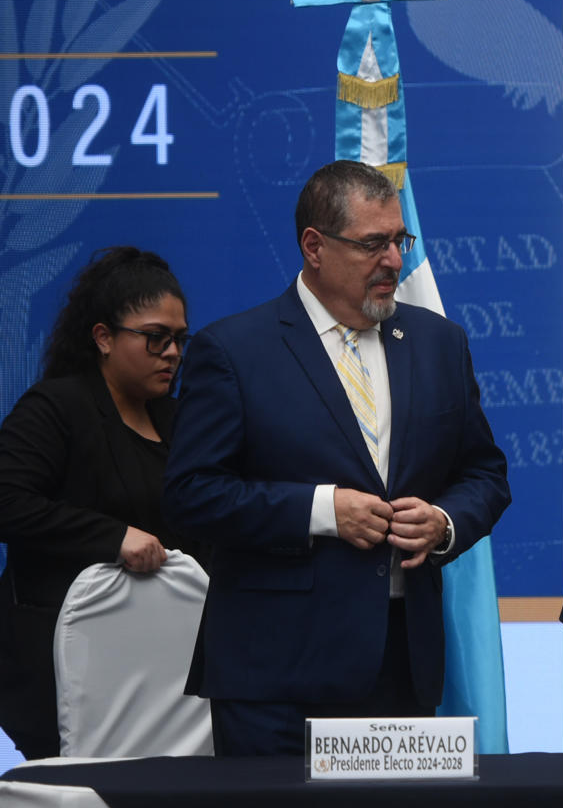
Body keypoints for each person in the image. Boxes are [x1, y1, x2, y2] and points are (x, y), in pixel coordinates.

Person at [164, 161, 510, 755]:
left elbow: (484, 473)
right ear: (314, 247)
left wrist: (445, 523)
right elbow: (192, 494)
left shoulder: (438, 343)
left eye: (399, 242)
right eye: (372, 244)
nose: (394, 262)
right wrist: (322, 511)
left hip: (405, 665)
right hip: (277, 679)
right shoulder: (234, 351)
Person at [0, 248, 193, 759]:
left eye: (179, 339)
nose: (171, 352)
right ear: (104, 337)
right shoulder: (57, 407)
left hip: (160, 682)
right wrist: (112, 538)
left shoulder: (180, 421)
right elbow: (7, 501)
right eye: (155, 337)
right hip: (62, 674)